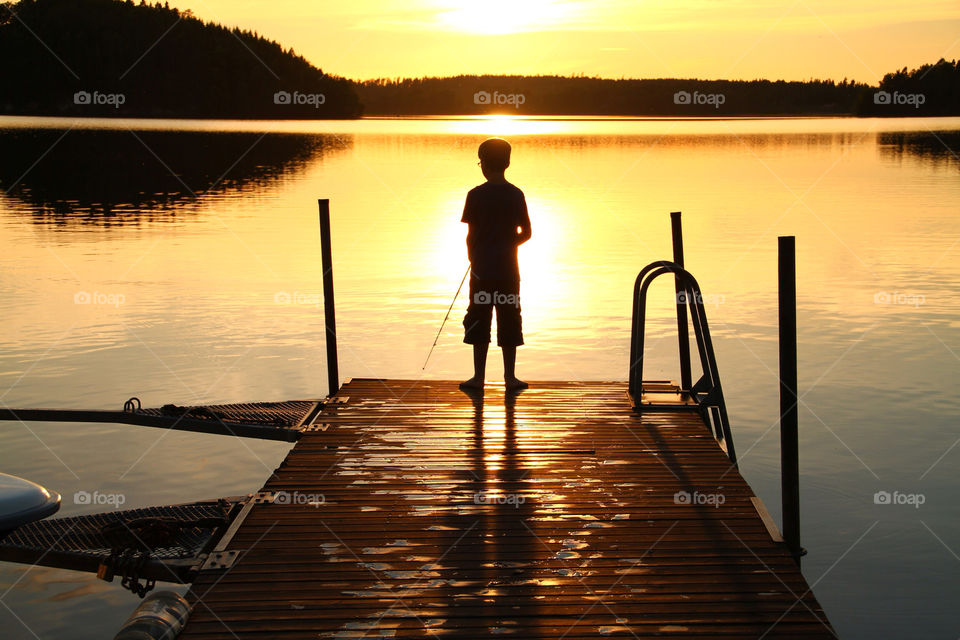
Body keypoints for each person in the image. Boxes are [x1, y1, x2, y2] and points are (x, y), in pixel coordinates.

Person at [459, 138, 531, 392]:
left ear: (483, 164)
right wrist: (509, 244)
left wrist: (473, 256)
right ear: (507, 163)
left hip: (482, 271)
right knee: (509, 317)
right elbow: (527, 232)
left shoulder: (475, 195)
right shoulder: (516, 194)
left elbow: (471, 235)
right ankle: (510, 378)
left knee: (479, 318)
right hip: (509, 272)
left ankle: (478, 378)